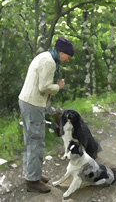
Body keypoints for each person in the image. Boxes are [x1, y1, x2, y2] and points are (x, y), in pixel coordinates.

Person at [18, 37, 74, 193]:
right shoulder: (49, 62)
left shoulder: (46, 56)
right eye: (67, 56)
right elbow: (44, 87)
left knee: (31, 141)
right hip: (33, 104)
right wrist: (58, 86)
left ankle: (32, 174)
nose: (67, 60)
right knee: (36, 142)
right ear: (61, 52)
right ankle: (32, 182)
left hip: (28, 101)